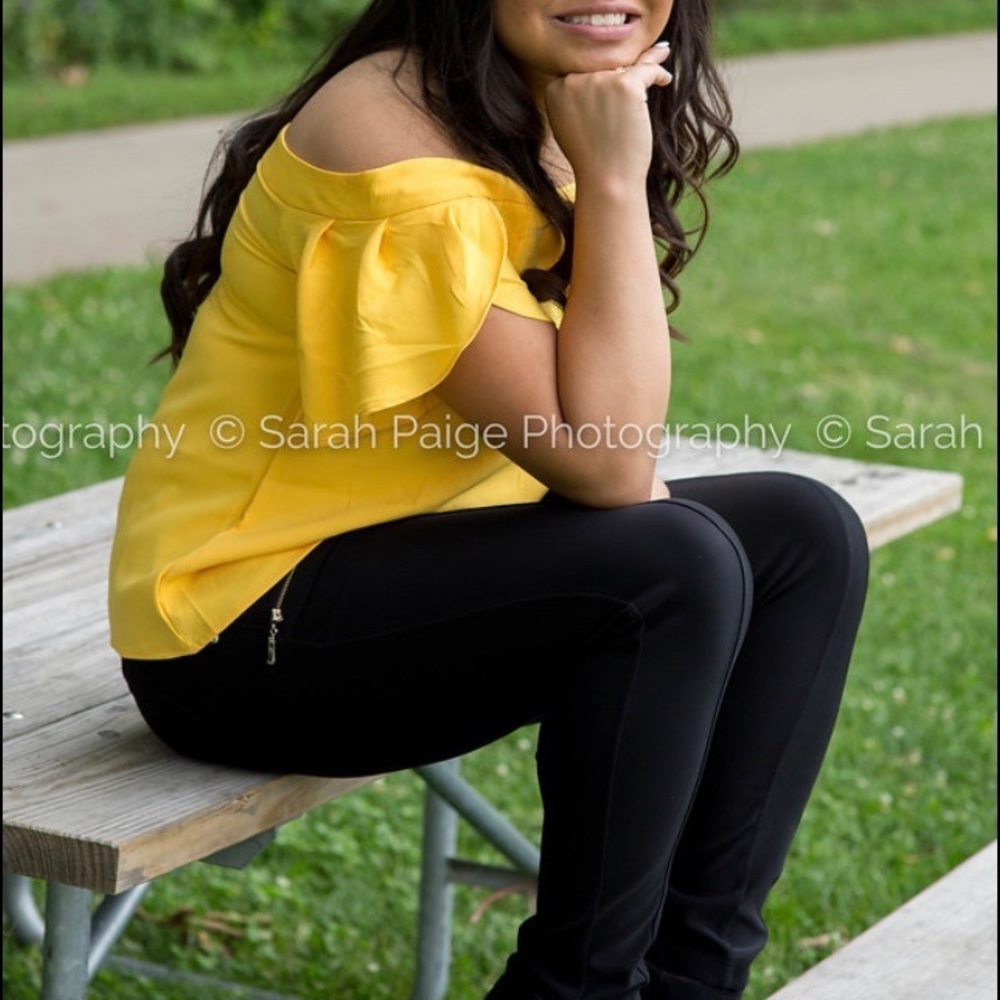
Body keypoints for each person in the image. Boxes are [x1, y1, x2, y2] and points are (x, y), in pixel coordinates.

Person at [108, 1, 870, 997]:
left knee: (802, 535)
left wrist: (597, 161)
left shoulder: (523, 97)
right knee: (672, 564)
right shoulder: (392, 142)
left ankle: (696, 981)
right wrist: (607, 175)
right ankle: (572, 988)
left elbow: (604, 446)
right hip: (235, 629)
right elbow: (605, 460)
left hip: (400, 572)